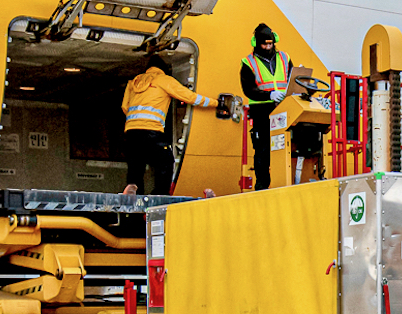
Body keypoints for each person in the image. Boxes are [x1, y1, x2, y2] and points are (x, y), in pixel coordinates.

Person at [120, 55, 217, 195]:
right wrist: (215, 103)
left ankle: (133, 187)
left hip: (131, 131)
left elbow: (125, 107)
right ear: (162, 69)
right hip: (152, 130)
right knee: (165, 162)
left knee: (136, 163)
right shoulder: (164, 80)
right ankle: (160, 195)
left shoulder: (134, 82)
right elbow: (189, 97)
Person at [240, 23, 295, 191]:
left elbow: (293, 79)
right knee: (263, 149)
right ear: (256, 43)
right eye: (264, 44)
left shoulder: (285, 58)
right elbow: (248, 90)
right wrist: (269, 95)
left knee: (284, 146)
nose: (267, 47)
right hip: (261, 111)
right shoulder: (248, 63)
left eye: (270, 43)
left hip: (283, 108)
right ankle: (262, 185)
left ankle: (286, 182)